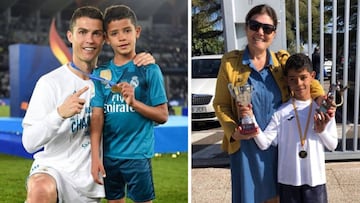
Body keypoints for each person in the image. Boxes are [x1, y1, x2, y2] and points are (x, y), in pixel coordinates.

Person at [22, 6, 154, 203]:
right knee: (41, 189)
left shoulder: (113, 81)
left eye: (96, 34)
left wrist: (146, 61)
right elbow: (29, 143)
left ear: (104, 39)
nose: (89, 40)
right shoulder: (50, 83)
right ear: (70, 36)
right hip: (54, 170)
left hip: (91, 183)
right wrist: (59, 114)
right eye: (82, 32)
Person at [213, 4, 327, 203]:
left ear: (274, 33)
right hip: (246, 147)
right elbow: (221, 104)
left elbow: (311, 82)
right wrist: (233, 131)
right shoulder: (230, 63)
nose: (260, 32)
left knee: (279, 197)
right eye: (254, 25)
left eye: (267, 28)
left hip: (279, 147)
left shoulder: (281, 62)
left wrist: (321, 101)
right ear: (246, 28)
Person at [90, 5, 168, 203]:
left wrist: (134, 102)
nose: (122, 38)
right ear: (107, 39)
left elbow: (162, 115)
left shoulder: (149, 69)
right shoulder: (101, 74)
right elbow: (97, 115)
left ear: (137, 32)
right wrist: (96, 156)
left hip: (137, 155)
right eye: (115, 33)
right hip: (109, 156)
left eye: (127, 30)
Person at [253, 53, 338, 203]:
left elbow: (332, 145)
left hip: (315, 180)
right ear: (287, 80)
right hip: (288, 182)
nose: (299, 83)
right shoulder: (281, 112)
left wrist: (322, 131)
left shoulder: (323, 109)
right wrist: (249, 117)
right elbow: (264, 142)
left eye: (303, 77)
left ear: (312, 76)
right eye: (293, 79)